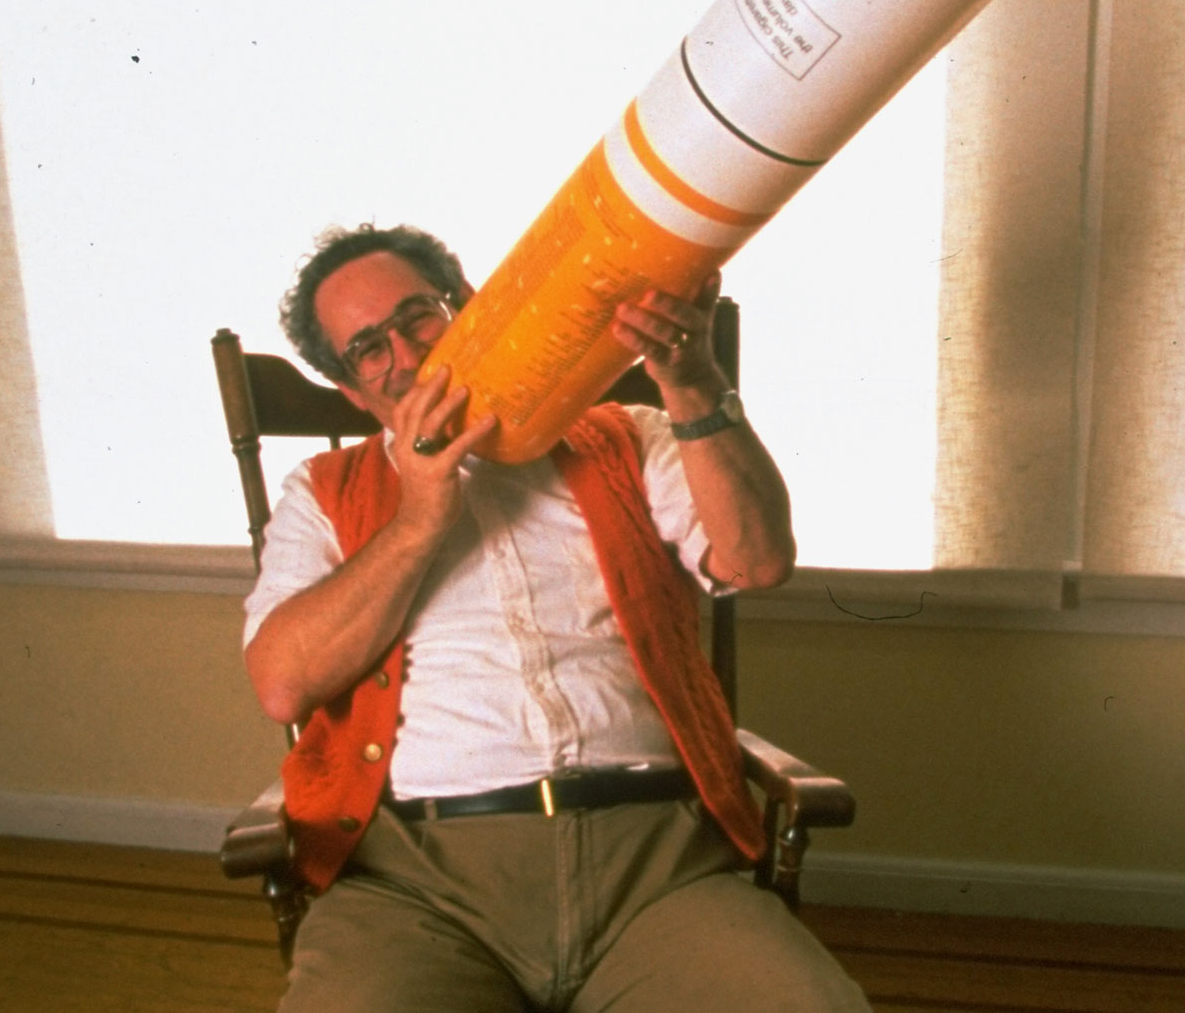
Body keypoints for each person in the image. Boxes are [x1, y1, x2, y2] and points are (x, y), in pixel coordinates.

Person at [243, 223, 867, 1011]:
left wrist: (694, 386)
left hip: (658, 873)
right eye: (369, 347)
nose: (405, 356)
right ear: (352, 391)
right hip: (422, 888)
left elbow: (756, 560)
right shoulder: (322, 490)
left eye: (419, 316)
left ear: (472, 308)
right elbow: (281, 684)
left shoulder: (627, 438)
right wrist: (418, 520)